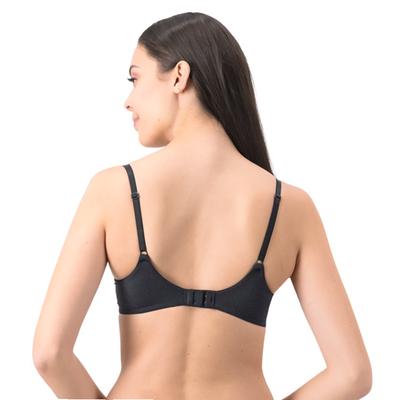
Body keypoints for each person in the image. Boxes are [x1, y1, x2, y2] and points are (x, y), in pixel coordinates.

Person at [32, 11, 372, 399]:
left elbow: (49, 354)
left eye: (135, 79)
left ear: (179, 76)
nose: (128, 101)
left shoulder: (113, 190)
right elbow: (352, 374)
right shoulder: (290, 207)